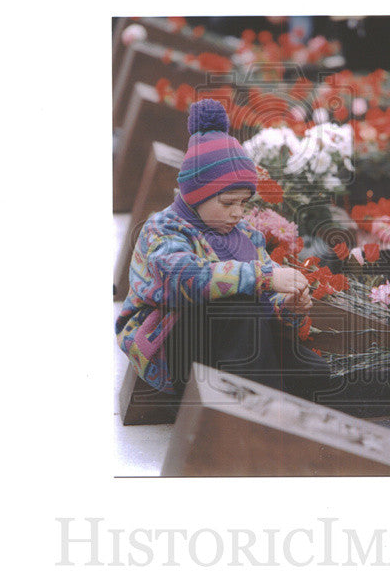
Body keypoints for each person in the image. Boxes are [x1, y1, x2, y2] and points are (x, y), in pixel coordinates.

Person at [115, 99, 348, 409]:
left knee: (311, 372)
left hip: (231, 345)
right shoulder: (165, 229)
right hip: (171, 346)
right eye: (227, 203)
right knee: (237, 303)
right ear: (196, 195)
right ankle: (260, 414)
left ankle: (278, 398)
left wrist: (289, 305)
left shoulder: (246, 236)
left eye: (244, 202)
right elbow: (186, 278)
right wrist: (266, 277)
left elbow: (265, 299)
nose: (238, 213)